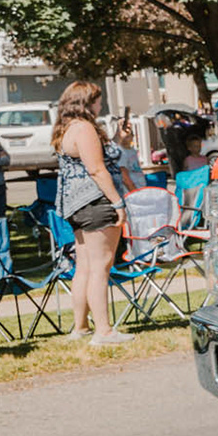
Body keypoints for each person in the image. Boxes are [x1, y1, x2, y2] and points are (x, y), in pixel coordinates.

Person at [52, 80, 133, 345]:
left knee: (85, 267)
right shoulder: (85, 128)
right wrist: (117, 202)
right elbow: (97, 169)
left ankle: (81, 327)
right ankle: (104, 331)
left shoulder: (67, 128)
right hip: (96, 202)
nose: (101, 104)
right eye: (98, 100)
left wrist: (120, 140)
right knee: (101, 266)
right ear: (87, 102)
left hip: (76, 205)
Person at [113, 117, 144, 193]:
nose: (127, 137)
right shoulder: (121, 152)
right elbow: (124, 175)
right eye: (125, 136)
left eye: (129, 135)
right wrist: (134, 191)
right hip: (131, 192)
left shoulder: (133, 150)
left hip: (140, 188)